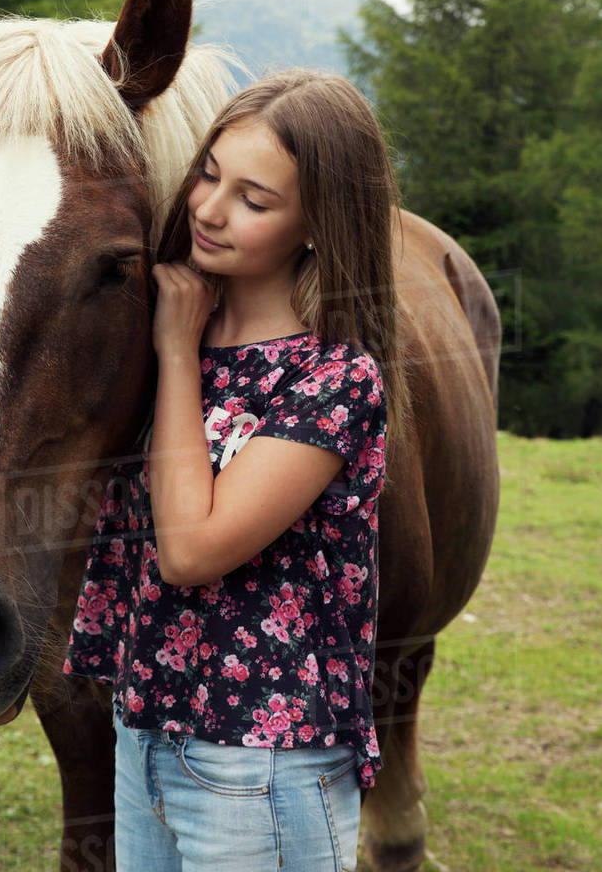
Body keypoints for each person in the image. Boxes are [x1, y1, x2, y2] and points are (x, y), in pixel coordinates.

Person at [63, 68, 412, 871]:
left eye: (255, 201)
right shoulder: (169, 319)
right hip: (145, 733)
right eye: (208, 175)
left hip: (261, 766)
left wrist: (177, 351)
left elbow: (192, 548)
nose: (210, 211)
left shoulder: (333, 380)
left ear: (319, 224)